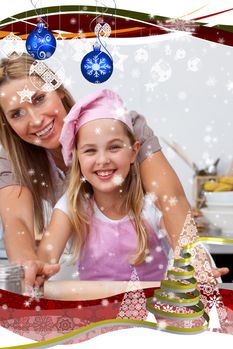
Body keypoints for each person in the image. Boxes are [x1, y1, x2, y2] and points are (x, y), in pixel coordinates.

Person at [0, 54, 228, 289]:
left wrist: (190, 254)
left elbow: (169, 199)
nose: (36, 120)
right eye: (17, 113)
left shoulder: (123, 124)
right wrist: (27, 263)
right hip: (86, 276)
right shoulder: (12, 159)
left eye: (39, 99)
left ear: (57, 89)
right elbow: (17, 222)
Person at [35, 89, 170, 283]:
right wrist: (40, 271)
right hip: (94, 312)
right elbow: (45, 260)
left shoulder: (151, 204)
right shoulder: (71, 206)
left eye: (114, 147)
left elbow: (185, 247)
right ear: (77, 158)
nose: (103, 160)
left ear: (134, 152)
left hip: (151, 310)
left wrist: (196, 264)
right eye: (90, 150)